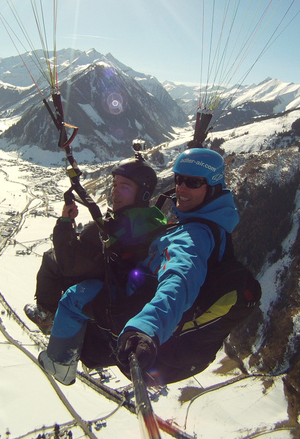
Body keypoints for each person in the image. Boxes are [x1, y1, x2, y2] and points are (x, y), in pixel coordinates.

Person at [39, 148, 249, 386]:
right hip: (142, 292)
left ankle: (60, 365)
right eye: (179, 179)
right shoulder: (211, 222)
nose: (181, 188)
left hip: (135, 310)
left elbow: (179, 280)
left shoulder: (193, 238)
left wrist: (148, 326)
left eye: (192, 182)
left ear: (212, 187)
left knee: (72, 297)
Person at [24, 158, 166, 335]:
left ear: (143, 194)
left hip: (105, 286)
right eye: (115, 185)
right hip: (124, 280)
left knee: (50, 257)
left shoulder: (111, 228)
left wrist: (65, 222)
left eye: (125, 187)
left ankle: (46, 314)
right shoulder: (154, 218)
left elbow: (68, 262)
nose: (115, 193)